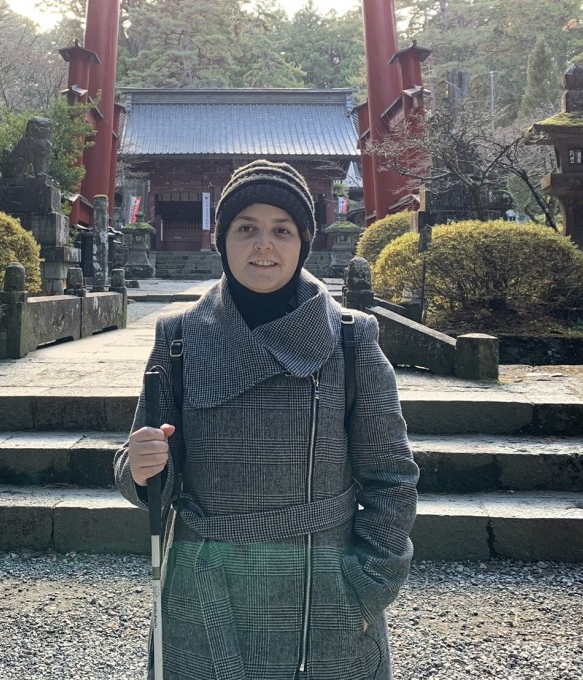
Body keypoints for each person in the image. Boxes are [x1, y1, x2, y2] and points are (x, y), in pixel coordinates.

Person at [114, 160, 419, 680]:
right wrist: (139, 468)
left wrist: (369, 586)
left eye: (281, 230)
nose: (263, 245)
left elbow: (392, 478)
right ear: (222, 240)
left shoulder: (351, 339)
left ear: (304, 241)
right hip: (204, 586)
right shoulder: (179, 339)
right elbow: (143, 471)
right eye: (246, 228)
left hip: (321, 587)